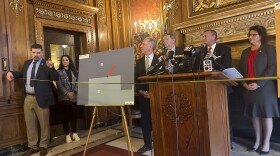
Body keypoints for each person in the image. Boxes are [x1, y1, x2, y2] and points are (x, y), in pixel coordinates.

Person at [6, 44, 59, 156]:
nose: (36, 55)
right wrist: (11, 73)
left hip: (42, 98)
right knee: (30, 124)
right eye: (34, 52)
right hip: (28, 98)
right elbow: (22, 74)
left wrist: (51, 67)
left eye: (38, 52)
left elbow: (55, 77)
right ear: (31, 52)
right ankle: (33, 147)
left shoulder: (46, 64)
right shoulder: (27, 63)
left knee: (44, 124)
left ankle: (43, 146)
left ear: (42, 53)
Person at [238, 25, 279, 155]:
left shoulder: (269, 49)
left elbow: (271, 68)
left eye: (253, 35)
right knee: (254, 116)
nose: (250, 37)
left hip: (265, 88)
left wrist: (258, 83)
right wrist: (243, 84)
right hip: (248, 88)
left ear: (261, 35)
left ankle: (266, 143)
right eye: (249, 35)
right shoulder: (245, 51)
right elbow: (240, 71)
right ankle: (257, 141)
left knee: (266, 115)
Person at [135, 37, 159, 153]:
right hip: (143, 97)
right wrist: (141, 91)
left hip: (157, 96)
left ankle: (160, 142)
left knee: (158, 121)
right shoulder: (139, 62)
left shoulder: (160, 59)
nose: (141, 46)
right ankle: (147, 145)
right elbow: (135, 80)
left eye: (143, 44)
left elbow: (163, 79)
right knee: (145, 122)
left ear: (150, 46)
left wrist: (153, 93)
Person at [56, 55, 80, 143]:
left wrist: (74, 92)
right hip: (63, 97)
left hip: (74, 96)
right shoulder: (58, 72)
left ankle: (74, 133)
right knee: (65, 116)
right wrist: (67, 93)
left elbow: (78, 82)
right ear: (61, 62)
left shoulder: (74, 71)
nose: (65, 61)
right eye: (63, 60)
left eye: (66, 60)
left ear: (69, 61)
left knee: (74, 115)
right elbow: (59, 84)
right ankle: (67, 134)